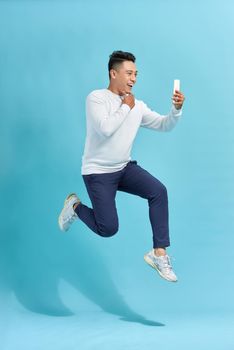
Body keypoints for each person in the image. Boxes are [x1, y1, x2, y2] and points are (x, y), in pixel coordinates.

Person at [58, 50, 185, 282]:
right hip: (97, 172)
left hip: (124, 168)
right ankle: (74, 207)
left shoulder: (137, 105)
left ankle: (159, 253)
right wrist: (126, 106)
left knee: (158, 191)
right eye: (129, 73)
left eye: (136, 74)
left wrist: (176, 110)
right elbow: (105, 129)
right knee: (108, 229)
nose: (134, 78)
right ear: (113, 73)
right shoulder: (96, 98)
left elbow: (164, 125)